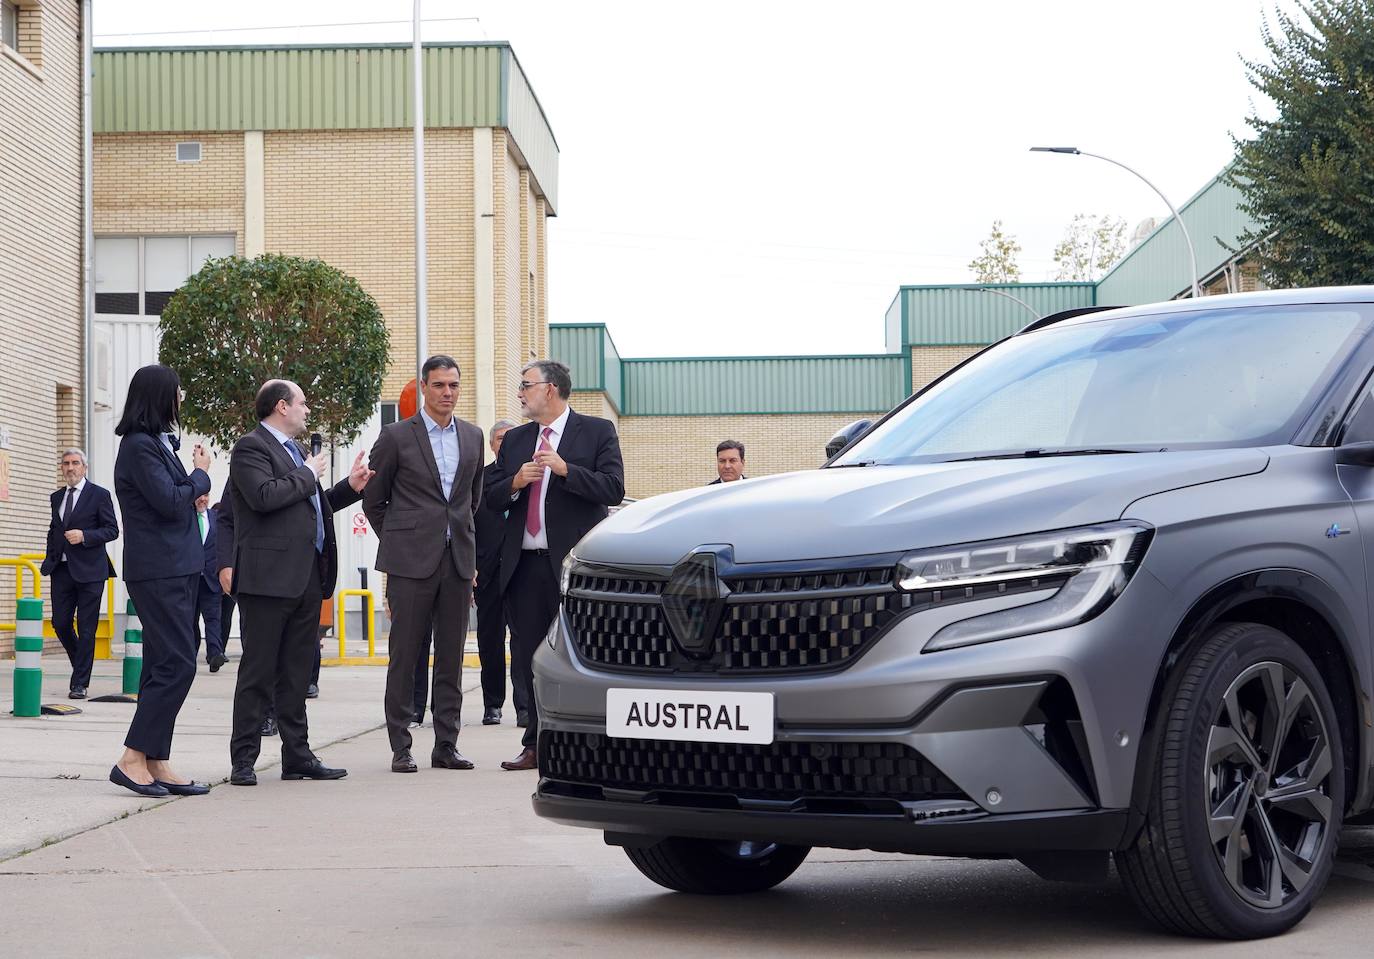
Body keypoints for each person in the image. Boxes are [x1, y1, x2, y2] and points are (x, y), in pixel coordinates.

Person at [226, 379, 373, 787]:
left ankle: (298, 756)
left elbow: (310, 505)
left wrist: (350, 488)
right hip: (268, 579)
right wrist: (308, 473)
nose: (308, 411)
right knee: (258, 672)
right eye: (302, 403)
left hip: (307, 576)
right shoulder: (251, 447)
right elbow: (264, 497)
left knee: (296, 673)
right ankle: (244, 759)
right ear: (280, 407)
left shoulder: (298, 452)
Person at [485, 360, 624, 771]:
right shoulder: (515, 441)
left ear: (550, 390)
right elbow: (490, 496)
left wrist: (567, 471)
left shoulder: (597, 432)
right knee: (530, 658)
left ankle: (592, 745)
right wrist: (514, 482)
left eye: (526, 386)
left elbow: (614, 489)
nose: (520, 393)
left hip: (572, 568)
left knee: (584, 654)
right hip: (525, 566)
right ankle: (536, 744)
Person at [364, 354, 485, 774]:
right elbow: (374, 500)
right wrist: (402, 541)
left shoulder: (473, 436)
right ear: (423, 386)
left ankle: (446, 745)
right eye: (439, 385)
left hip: (457, 563)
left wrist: (464, 551)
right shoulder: (397, 436)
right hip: (409, 563)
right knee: (405, 656)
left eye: (453, 385)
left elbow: (473, 500)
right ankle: (401, 745)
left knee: (450, 657)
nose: (447, 393)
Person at [109, 364, 212, 798]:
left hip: (179, 566)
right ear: (158, 397)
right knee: (178, 664)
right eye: (176, 392)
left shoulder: (154, 444)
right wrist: (200, 476)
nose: (181, 399)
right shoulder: (137, 446)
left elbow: (174, 499)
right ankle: (132, 757)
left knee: (161, 664)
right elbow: (170, 501)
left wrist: (192, 491)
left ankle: (155, 758)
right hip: (159, 570)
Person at [40, 448, 118, 700]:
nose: (70, 468)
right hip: (61, 570)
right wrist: (49, 557)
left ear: (84, 467)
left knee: (86, 628)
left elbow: (112, 530)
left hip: (91, 571)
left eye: (75, 463)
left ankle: (79, 682)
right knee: (60, 623)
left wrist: (85, 536)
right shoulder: (56, 497)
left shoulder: (99, 495)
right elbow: (54, 530)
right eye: (66, 463)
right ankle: (81, 663)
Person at [214, 493, 278, 736]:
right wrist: (225, 564)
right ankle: (264, 715)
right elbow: (226, 519)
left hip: (296, 577)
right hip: (256, 577)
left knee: (291, 661)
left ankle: (289, 729)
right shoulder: (247, 460)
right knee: (258, 656)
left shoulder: (301, 461)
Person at [477, 419, 517, 725]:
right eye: (500, 438)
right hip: (487, 574)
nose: (504, 443)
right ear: (492, 444)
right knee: (489, 641)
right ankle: (493, 704)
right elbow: (468, 525)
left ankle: (526, 707)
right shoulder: (480, 479)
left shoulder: (531, 477)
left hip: (521, 572)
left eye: (511, 438)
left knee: (524, 640)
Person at [192, 493, 227, 672]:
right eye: (199, 496)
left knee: (213, 618)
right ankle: (190, 654)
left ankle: (215, 654)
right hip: (189, 579)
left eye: (205, 496)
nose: (202, 500)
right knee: (190, 620)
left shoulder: (216, 518)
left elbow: (224, 545)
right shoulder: (186, 517)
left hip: (211, 579)